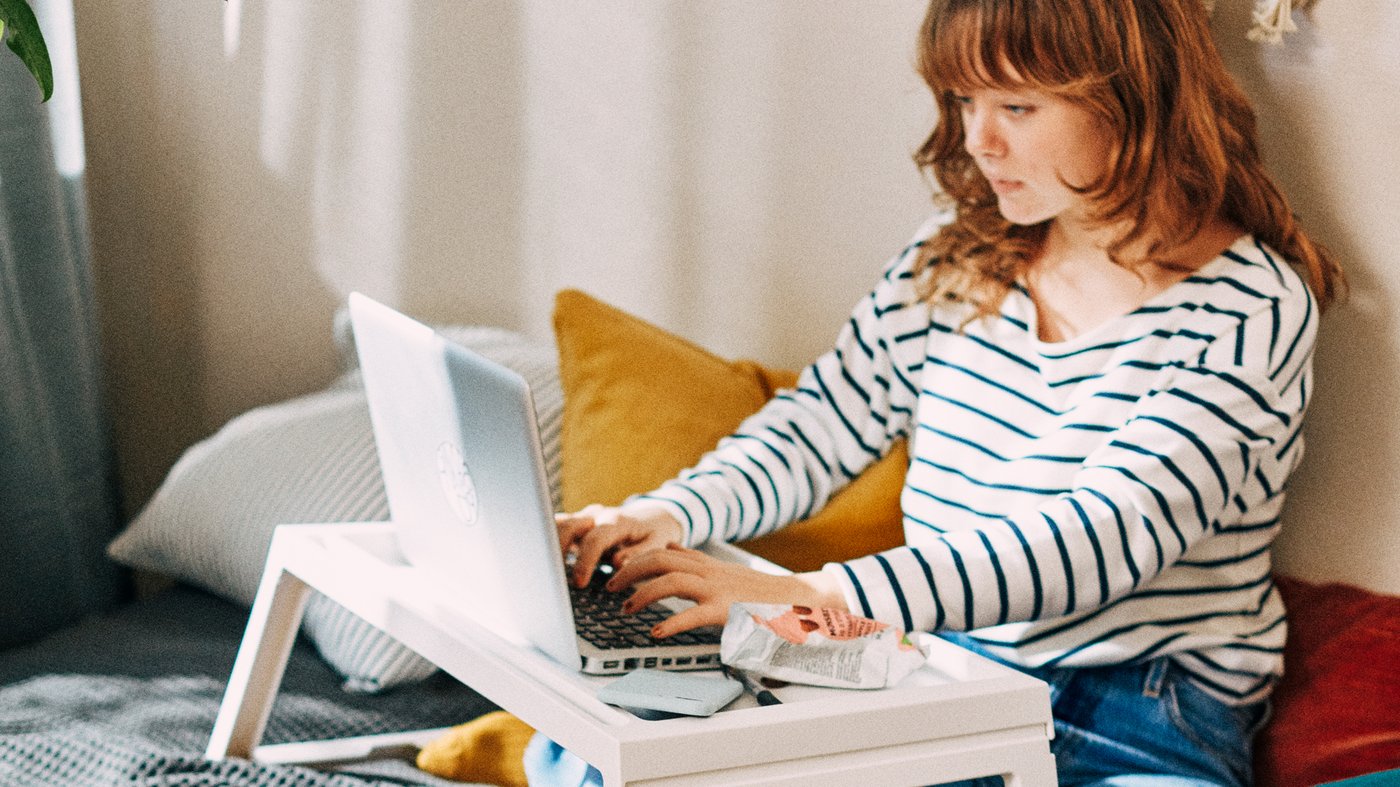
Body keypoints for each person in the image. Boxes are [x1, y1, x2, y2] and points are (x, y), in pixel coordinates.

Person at [546, 0, 1345, 783]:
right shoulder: (955, 257)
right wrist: (670, 513)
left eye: (1017, 106)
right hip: (932, 660)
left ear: (1135, 97)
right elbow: (823, 421)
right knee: (615, 746)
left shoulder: (1248, 310)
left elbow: (1103, 537)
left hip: (1136, 713)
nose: (979, 139)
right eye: (964, 100)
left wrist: (811, 594)